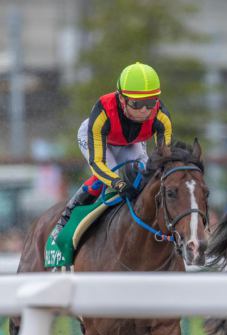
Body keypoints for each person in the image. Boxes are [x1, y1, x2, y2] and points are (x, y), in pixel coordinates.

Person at [51, 61, 172, 238]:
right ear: (122, 98)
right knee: (107, 180)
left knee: (145, 177)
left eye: (151, 102)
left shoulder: (162, 117)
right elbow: (98, 163)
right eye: (137, 104)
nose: (145, 110)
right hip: (100, 140)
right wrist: (118, 183)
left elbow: (164, 161)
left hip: (130, 142)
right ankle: (66, 218)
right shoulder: (103, 111)